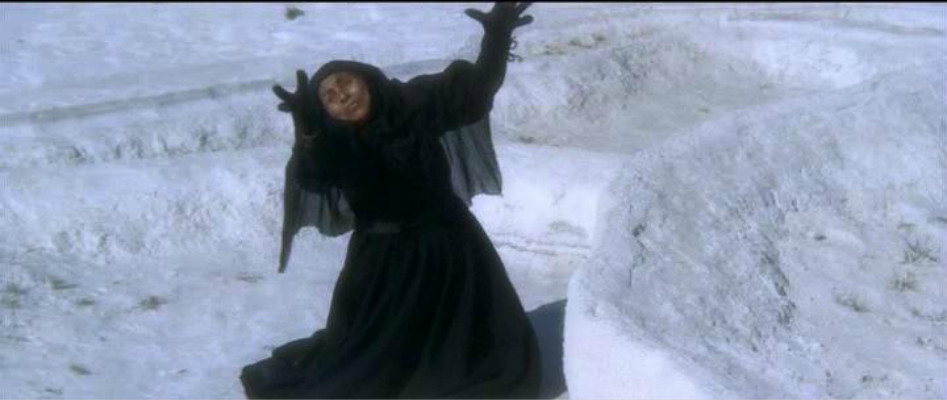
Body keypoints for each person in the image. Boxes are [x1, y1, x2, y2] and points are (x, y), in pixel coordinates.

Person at [239, 3, 540, 398]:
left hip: (454, 247)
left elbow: (477, 89)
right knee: (374, 361)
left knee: (479, 346)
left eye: (345, 84)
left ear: (366, 79)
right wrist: (310, 133)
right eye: (329, 97)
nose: (343, 97)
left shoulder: (414, 106)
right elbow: (315, 177)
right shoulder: (336, 142)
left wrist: (497, 36)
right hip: (386, 263)